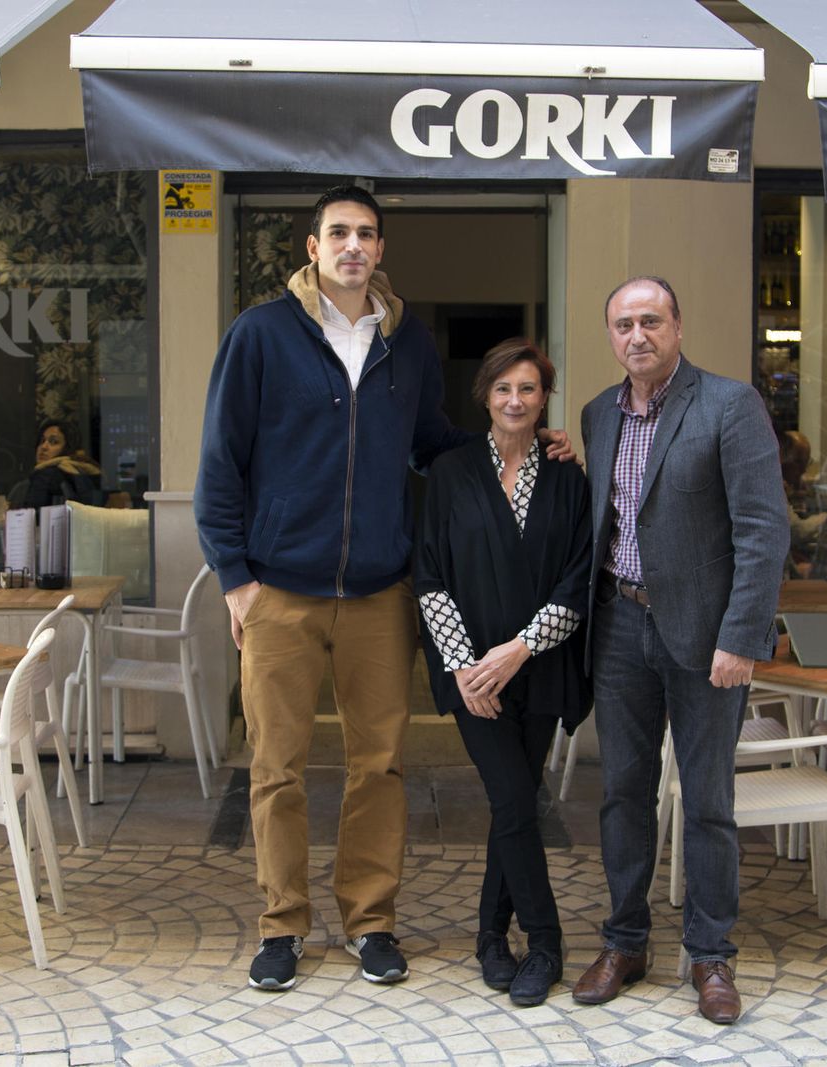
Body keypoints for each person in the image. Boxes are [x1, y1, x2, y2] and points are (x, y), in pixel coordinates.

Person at [194, 185, 574, 994]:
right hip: (279, 593)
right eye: (339, 233)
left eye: (367, 233)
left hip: (378, 594)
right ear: (312, 246)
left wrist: (519, 437)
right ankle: (282, 925)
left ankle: (370, 921)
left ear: (381, 248)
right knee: (275, 766)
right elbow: (219, 462)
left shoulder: (408, 346)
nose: (353, 246)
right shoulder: (260, 334)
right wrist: (234, 578)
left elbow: (433, 443)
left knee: (380, 764)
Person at [574, 276, 786, 1024]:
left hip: (706, 638)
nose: (638, 335)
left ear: (678, 326)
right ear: (611, 336)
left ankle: (711, 955)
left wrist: (741, 635)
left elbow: (764, 529)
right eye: (625, 324)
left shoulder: (729, 406)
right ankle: (626, 941)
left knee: (709, 803)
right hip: (621, 629)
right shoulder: (599, 414)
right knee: (622, 795)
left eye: (652, 321)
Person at [414, 339, 592, 1008]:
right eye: (502, 389)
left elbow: (578, 583)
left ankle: (491, 936)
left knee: (510, 805)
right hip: (475, 681)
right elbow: (429, 575)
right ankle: (545, 942)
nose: (514, 400)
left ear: (544, 397)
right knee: (516, 801)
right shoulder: (451, 472)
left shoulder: (569, 479)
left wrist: (519, 648)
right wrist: (464, 665)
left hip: (539, 670)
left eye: (528, 388)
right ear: (484, 395)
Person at [6, 419, 101, 510]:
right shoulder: (84, 470)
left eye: (54, 442)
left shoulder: (46, 475)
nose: (44, 447)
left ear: (68, 448)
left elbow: (33, 518)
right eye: (42, 441)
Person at [779, 430, 825, 577]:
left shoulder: (785, 485)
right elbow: (797, 531)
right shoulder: (771, 487)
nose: (804, 470)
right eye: (800, 463)